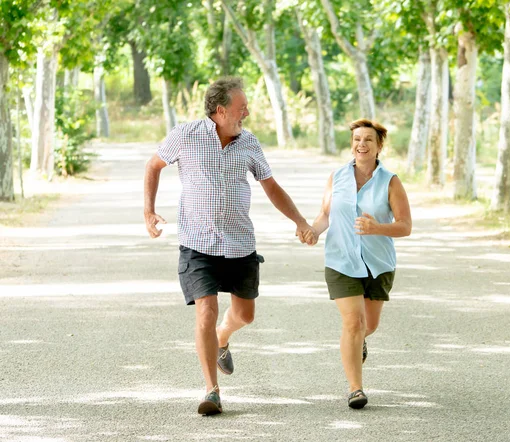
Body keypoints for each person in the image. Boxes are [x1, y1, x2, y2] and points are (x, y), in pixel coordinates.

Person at [144, 77, 314, 416]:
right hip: (197, 243)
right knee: (206, 309)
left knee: (245, 315)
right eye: (241, 108)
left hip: (239, 243)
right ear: (220, 111)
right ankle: (212, 391)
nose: (247, 113)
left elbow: (271, 186)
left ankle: (224, 336)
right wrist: (148, 211)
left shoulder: (249, 143)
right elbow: (153, 166)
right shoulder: (185, 136)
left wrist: (300, 221)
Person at [303, 118, 412, 409]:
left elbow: (405, 226)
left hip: (378, 262)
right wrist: (313, 230)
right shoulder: (337, 176)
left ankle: (359, 341)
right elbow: (325, 214)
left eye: (368, 140)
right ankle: (355, 389)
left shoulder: (390, 181)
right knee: (353, 322)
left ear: (378, 147)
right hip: (340, 260)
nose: (361, 145)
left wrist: (378, 228)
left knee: (368, 325)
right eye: (356, 140)